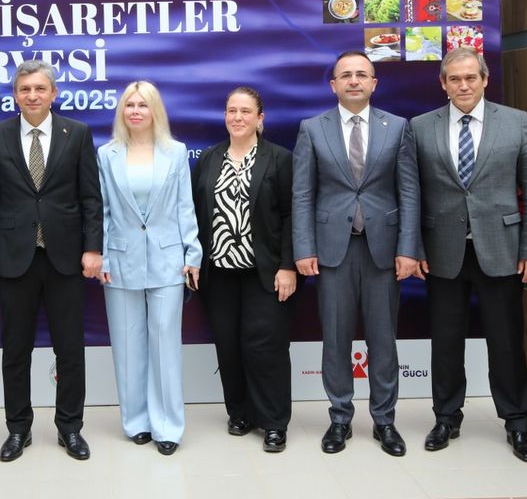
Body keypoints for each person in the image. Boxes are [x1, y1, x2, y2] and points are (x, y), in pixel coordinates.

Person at [409, 46, 527, 462]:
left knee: (506, 341)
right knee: (445, 342)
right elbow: (412, 193)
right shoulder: (420, 126)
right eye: (455, 79)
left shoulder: (516, 122)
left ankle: (517, 422)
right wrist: (413, 248)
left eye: (471, 77)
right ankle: (446, 417)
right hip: (442, 251)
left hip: (502, 248)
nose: (463, 85)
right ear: (443, 84)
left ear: (485, 79)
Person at [291, 51, 420, 457]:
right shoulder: (312, 128)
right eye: (345, 75)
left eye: (362, 74)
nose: (353, 81)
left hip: (384, 250)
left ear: (374, 83)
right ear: (333, 85)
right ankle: (340, 418)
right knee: (335, 338)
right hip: (333, 250)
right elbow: (302, 194)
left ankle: (385, 420)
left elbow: (409, 191)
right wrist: (303, 248)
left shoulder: (397, 127)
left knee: (383, 339)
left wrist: (409, 248)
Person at [0, 60, 104, 462]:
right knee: (16, 350)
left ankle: (70, 427)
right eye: (24, 89)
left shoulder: (77, 133)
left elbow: (90, 197)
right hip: (14, 259)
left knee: (70, 349)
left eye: (39, 89)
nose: (32, 96)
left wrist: (93, 247)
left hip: (65, 258)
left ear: (54, 93)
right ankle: (18, 429)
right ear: (15, 95)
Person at [96, 81, 201, 456]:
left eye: (143, 105)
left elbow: (185, 206)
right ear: (121, 111)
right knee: (127, 345)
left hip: (168, 260)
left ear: (155, 110)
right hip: (120, 259)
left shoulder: (175, 152)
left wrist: (192, 254)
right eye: (129, 105)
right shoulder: (106, 154)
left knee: (164, 344)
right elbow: (102, 210)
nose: (136, 111)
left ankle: (168, 426)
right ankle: (136, 421)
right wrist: (103, 256)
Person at [193, 87, 296, 453]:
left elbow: (291, 216)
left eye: (245, 111)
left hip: (264, 271)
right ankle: (240, 413)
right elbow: (195, 214)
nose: (237, 117)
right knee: (228, 345)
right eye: (231, 111)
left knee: (265, 346)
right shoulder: (209, 158)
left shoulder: (279, 159)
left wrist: (288, 266)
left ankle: (274, 422)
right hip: (218, 272)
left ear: (260, 118)